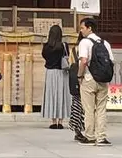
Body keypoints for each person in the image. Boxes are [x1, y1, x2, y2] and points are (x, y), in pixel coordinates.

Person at [78, 17, 114, 146]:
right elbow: (111, 61)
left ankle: (90, 136)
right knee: (101, 109)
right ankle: (101, 137)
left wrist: (79, 76)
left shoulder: (85, 42)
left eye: (82, 28)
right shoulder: (105, 43)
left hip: (88, 78)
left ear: (89, 28)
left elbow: (83, 61)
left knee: (88, 109)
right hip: (103, 80)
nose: (81, 31)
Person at [41, 25, 71, 129]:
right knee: (61, 95)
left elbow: (44, 56)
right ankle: (61, 122)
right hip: (62, 72)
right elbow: (68, 57)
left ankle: (53, 121)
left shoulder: (46, 46)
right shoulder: (64, 45)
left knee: (52, 95)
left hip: (50, 73)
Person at [68, 41, 88, 143]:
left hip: (75, 81)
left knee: (76, 105)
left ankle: (77, 130)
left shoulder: (73, 50)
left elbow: (70, 64)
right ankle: (88, 131)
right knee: (88, 107)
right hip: (87, 78)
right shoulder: (90, 47)